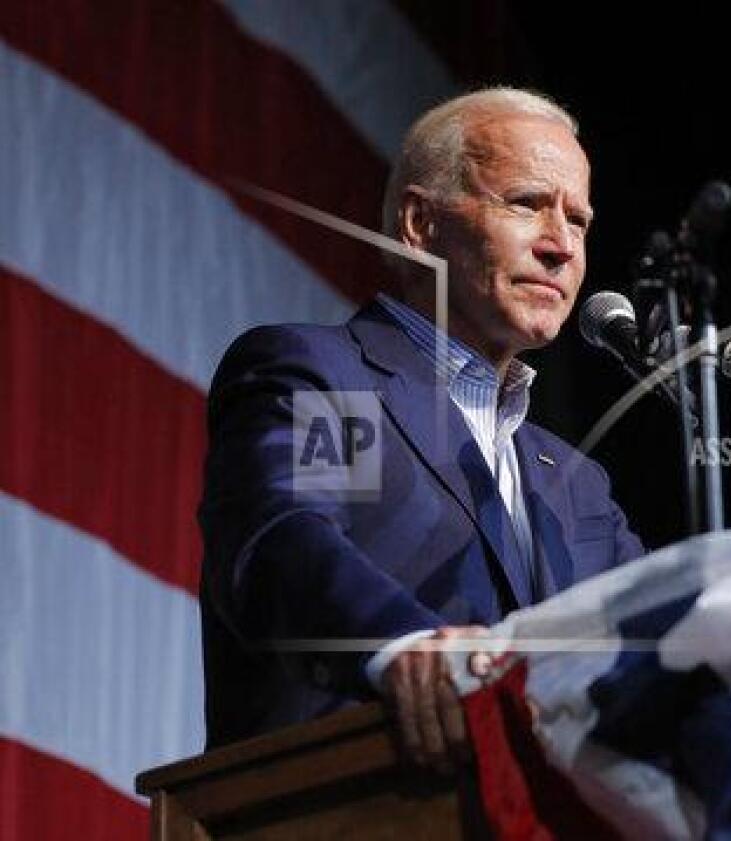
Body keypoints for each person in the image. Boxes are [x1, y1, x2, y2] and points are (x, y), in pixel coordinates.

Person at [198, 88, 645, 774]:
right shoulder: (340, 381)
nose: (561, 246)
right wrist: (401, 645)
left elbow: (646, 641)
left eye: (579, 220)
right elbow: (285, 539)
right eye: (527, 203)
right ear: (418, 223)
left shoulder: (579, 487)